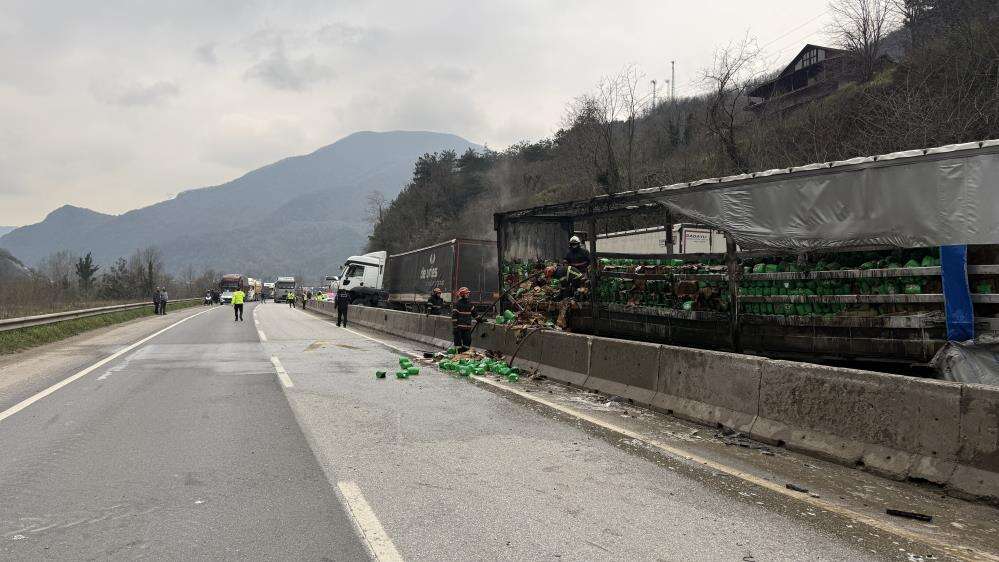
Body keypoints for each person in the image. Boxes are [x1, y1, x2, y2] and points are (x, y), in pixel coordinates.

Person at [451, 286, 475, 352]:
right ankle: (457, 357)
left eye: (468, 293)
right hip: (459, 328)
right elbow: (454, 317)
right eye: (466, 293)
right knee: (458, 344)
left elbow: (474, 313)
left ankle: (465, 355)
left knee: (467, 343)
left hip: (467, 328)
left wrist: (479, 319)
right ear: (462, 294)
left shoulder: (469, 303)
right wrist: (455, 327)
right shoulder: (457, 304)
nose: (468, 295)